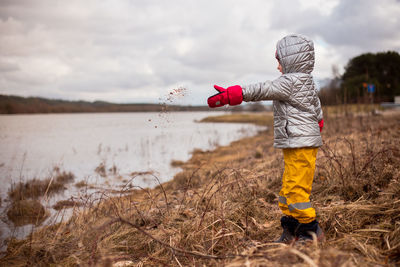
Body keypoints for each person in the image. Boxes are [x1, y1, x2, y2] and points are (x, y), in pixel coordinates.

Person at [207, 34, 324, 243]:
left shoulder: (290, 82)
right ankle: (291, 228)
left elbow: (262, 89)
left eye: (279, 61)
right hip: (297, 141)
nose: (278, 67)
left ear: (291, 60)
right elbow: (316, 107)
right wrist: (318, 123)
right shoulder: (307, 82)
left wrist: (234, 94)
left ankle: (310, 231)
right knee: (289, 185)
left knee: (296, 188)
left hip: (300, 142)